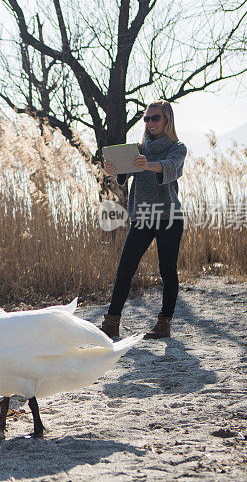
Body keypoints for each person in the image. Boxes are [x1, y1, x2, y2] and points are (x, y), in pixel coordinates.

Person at [101, 100, 187, 339]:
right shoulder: (137, 149)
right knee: (125, 269)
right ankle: (111, 323)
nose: (150, 123)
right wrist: (115, 169)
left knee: (167, 271)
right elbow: (124, 175)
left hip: (169, 217)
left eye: (155, 118)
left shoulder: (178, 148)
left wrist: (147, 165)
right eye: (146, 119)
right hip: (143, 217)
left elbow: (170, 168)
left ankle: (164, 324)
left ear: (167, 119)